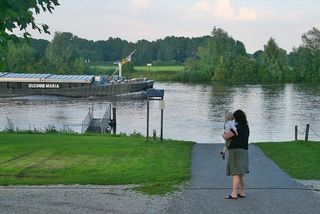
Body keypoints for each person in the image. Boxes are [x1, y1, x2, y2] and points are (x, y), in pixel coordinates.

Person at [222, 109, 249, 199]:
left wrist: (223, 134)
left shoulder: (236, 128)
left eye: (234, 117)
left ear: (236, 117)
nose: (233, 119)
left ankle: (234, 194)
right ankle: (242, 192)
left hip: (235, 151)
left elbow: (226, 136)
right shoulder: (246, 127)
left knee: (235, 173)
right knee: (241, 173)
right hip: (244, 151)